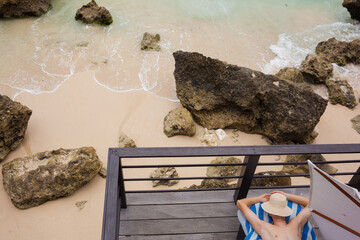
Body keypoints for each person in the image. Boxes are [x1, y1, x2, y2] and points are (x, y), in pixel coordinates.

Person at [236, 191, 311, 240]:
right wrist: (287, 196)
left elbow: (240, 203)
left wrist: (259, 199)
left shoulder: (264, 227)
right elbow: (311, 204)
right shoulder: (296, 223)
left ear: (269, 213)